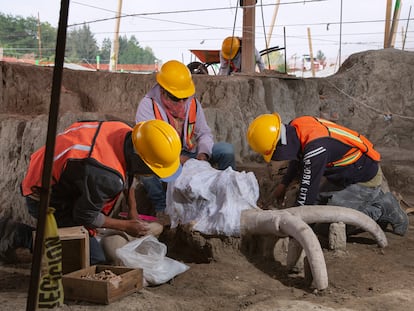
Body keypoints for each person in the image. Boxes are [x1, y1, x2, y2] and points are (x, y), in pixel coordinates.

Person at [0, 119, 182, 264]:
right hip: (44, 196)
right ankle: (16, 234)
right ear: (139, 159)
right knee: (89, 258)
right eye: (152, 170)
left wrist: (132, 212)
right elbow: (85, 216)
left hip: (62, 178)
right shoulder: (106, 176)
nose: (152, 175)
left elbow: (129, 173)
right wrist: (126, 226)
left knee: (93, 236)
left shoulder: (127, 133)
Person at [246, 113, 409, 236]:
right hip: (345, 176)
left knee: (329, 226)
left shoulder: (316, 149)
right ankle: (368, 200)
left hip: (363, 179)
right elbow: (298, 158)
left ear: (280, 146)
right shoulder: (296, 128)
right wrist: (283, 185)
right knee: (319, 209)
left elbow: (306, 196)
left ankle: (382, 207)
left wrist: (294, 228)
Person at [135, 59, 236, 217]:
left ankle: (226, 198)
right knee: (143, 167)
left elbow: (204, 133)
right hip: (163, 158)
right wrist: (182, 161)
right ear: (162, 91)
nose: (182, 102)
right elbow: (149, 149)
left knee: (226, 150)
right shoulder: (148, 107)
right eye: (176, 98)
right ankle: (162, 208)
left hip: (190, 152)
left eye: (185, 97)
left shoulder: (192, 103)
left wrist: (202, 156)